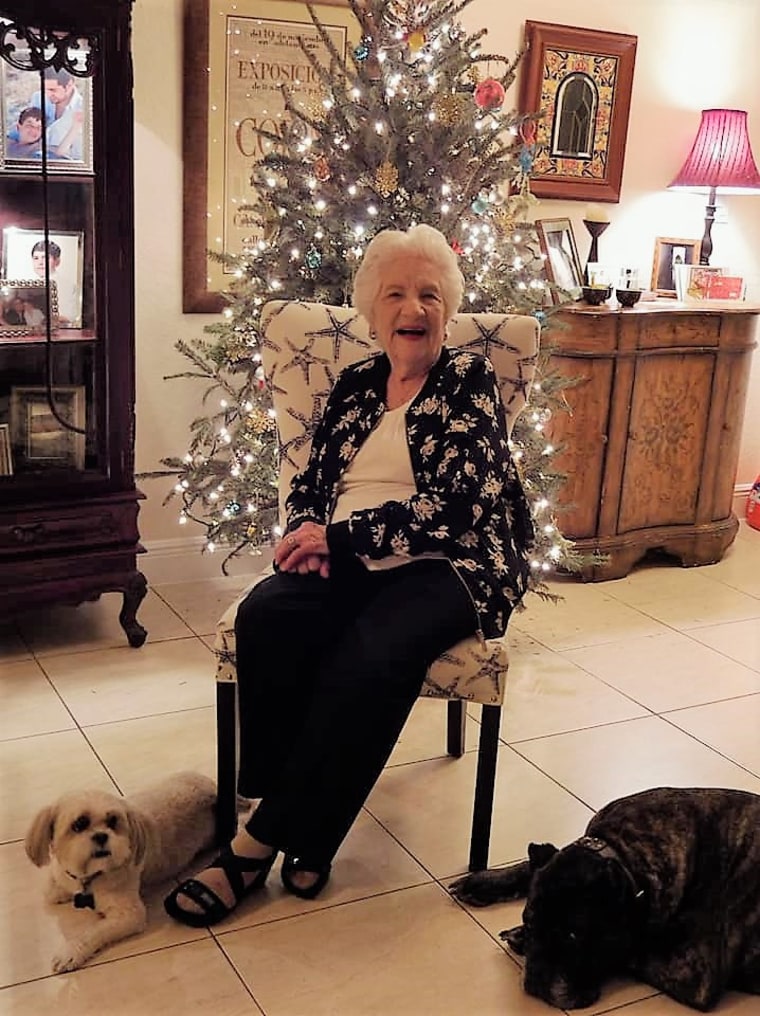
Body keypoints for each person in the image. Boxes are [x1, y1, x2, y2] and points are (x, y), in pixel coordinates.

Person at [163, 224, 534, 927]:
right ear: (372, 310)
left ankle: (257, 843)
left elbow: (458, 510)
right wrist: (305, 533)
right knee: (268, 615)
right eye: (395, 293)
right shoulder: (358, 384)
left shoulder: (469, 381)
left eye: (429, 293)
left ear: (447, 310)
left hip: (449, 565)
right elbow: (312, 478)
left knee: (375, 651)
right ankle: (306, 821)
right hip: (347, 552)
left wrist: (337, 535)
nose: (413, 308)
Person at [30, 239, 79, 326]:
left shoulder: (67, 286)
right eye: (36, 258)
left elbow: (71, 316)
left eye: (45, 258)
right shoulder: (29, 286)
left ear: (57, 261)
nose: (40, 263)